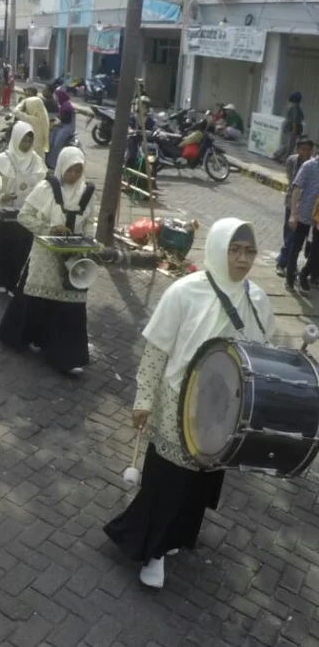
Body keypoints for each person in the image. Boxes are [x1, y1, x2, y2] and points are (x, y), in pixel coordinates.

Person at [104, 219, 275, 589]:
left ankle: (177, 536)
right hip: (177, 404)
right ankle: (153, 553)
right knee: (169, 481)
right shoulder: (184, 292)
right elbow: (156, 351)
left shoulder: (258, 300)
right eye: (235, 250)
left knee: (199, 483)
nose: (243, 259)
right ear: (217, 249)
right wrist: (144, 399)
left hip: (224, 414)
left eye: (249, 251)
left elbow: (263, 355)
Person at [0, 147, 95, 375]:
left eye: (79, 170)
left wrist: (88, 240)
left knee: (71, 304)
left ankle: (66, 357)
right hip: (46, 255)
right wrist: (49, 229)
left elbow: (89, 221)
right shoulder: (46, 188)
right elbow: (24, 216)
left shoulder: (87, 192)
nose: (74, 175)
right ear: (62, 167)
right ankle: (35, 338)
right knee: (39, 297)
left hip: (74, 258)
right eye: (71, 170)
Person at [0, 121, 47, 293]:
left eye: (29, 141)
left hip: (27, 214)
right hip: (7, 212)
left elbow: (43, 185)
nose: (26, 145)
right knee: (4, 246)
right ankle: (0, 281)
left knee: (22, 249)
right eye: (23, 141)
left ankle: (15, 284)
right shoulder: (4, 158)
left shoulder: (36, 161)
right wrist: (0, 194)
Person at [277, 137, 315, 277]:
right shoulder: (292, 160)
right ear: (298, 149)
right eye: (303, 149)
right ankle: (282, 264)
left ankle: (288, 263)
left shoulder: (313, 164)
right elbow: (291, 180)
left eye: (308, 150)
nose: (305, 152)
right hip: (292, 202)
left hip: (308, 207)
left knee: (298, 239)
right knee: (290, 234)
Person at [285, 152, 319, 291]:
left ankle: (304, 274)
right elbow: (296, 188)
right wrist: (293, 213)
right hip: (304, 213)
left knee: (317, 250)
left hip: (318, 217)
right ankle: (290, 278)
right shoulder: (309, 166)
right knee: (296, 247)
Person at [13, 87, 50, 159]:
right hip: (40, 154)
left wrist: (24, 101)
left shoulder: (32, 119)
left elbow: (16, 111)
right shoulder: (43, 117)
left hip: (31, 153)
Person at [47, 89, 77, 172]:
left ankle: (53, 164)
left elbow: (65, 121)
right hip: (64, 126)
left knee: (56, 144)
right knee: (51, 136)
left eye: (56, 96)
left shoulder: (66, 106)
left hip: (67, 128)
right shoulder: (63, 105)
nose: (55, 98)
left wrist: (56, 124)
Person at [276, 92, 305, 163]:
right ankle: (285, 159)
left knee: (286, 144)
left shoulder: (289, 105)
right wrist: (294, 129)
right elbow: (294, 119)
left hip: (287, 126)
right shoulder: (295, 106)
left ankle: (277, 155)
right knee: (290, 145)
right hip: (291, 127)